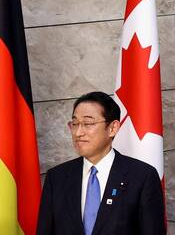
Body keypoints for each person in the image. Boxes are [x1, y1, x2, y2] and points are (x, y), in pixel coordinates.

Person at [36, 90, 166, 235]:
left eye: (88, 123)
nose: (78, 132)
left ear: (112, 128)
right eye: (74, 123)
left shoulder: (142, 177)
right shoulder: (57, 177)